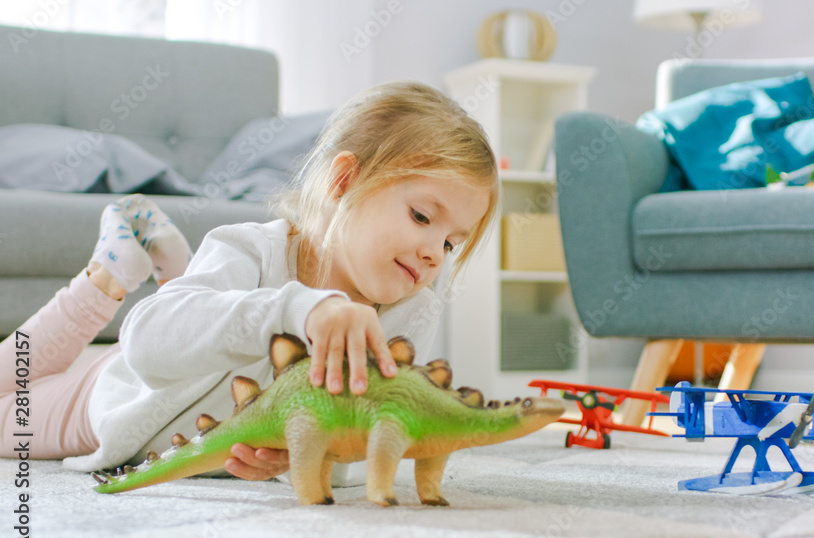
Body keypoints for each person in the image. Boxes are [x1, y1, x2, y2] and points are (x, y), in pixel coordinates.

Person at [0, 81, 498, 484]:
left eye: (453, 243)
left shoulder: (413, 312)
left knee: (194, 307)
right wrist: (295, 308)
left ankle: (176, 272)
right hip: (121, 397)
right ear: (343, 182)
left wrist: (293, 458)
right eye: (420, 215)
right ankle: (107, 277)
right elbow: (146, 341)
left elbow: (363, 436)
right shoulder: (251, 249)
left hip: (194, 377)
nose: (436, 253)